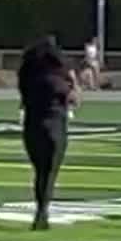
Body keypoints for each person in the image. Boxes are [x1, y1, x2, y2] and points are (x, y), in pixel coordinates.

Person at [17, 36, 78, 231]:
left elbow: (23, 99)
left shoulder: (27, 75)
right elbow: (73, 99)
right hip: (54, 125)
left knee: (40, 171)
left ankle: (41, 210)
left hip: (32, 125)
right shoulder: (58, 77)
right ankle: (42, 211)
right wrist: (74, 84)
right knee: (49, 172)